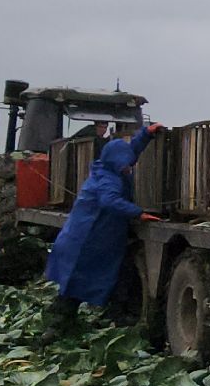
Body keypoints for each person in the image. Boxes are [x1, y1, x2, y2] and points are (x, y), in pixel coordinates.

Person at [41, 124, 165, 342]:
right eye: (126, 165)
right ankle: (56, 329)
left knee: (101, 279)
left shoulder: (109, 166)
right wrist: (138, 213)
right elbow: (110, 201)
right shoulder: (109, 179)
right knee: (77, 282)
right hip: (88, 239)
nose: (129, 168)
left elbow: (130, 151)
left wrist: (147, 134)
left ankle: (109, 315)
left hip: (88, 236)